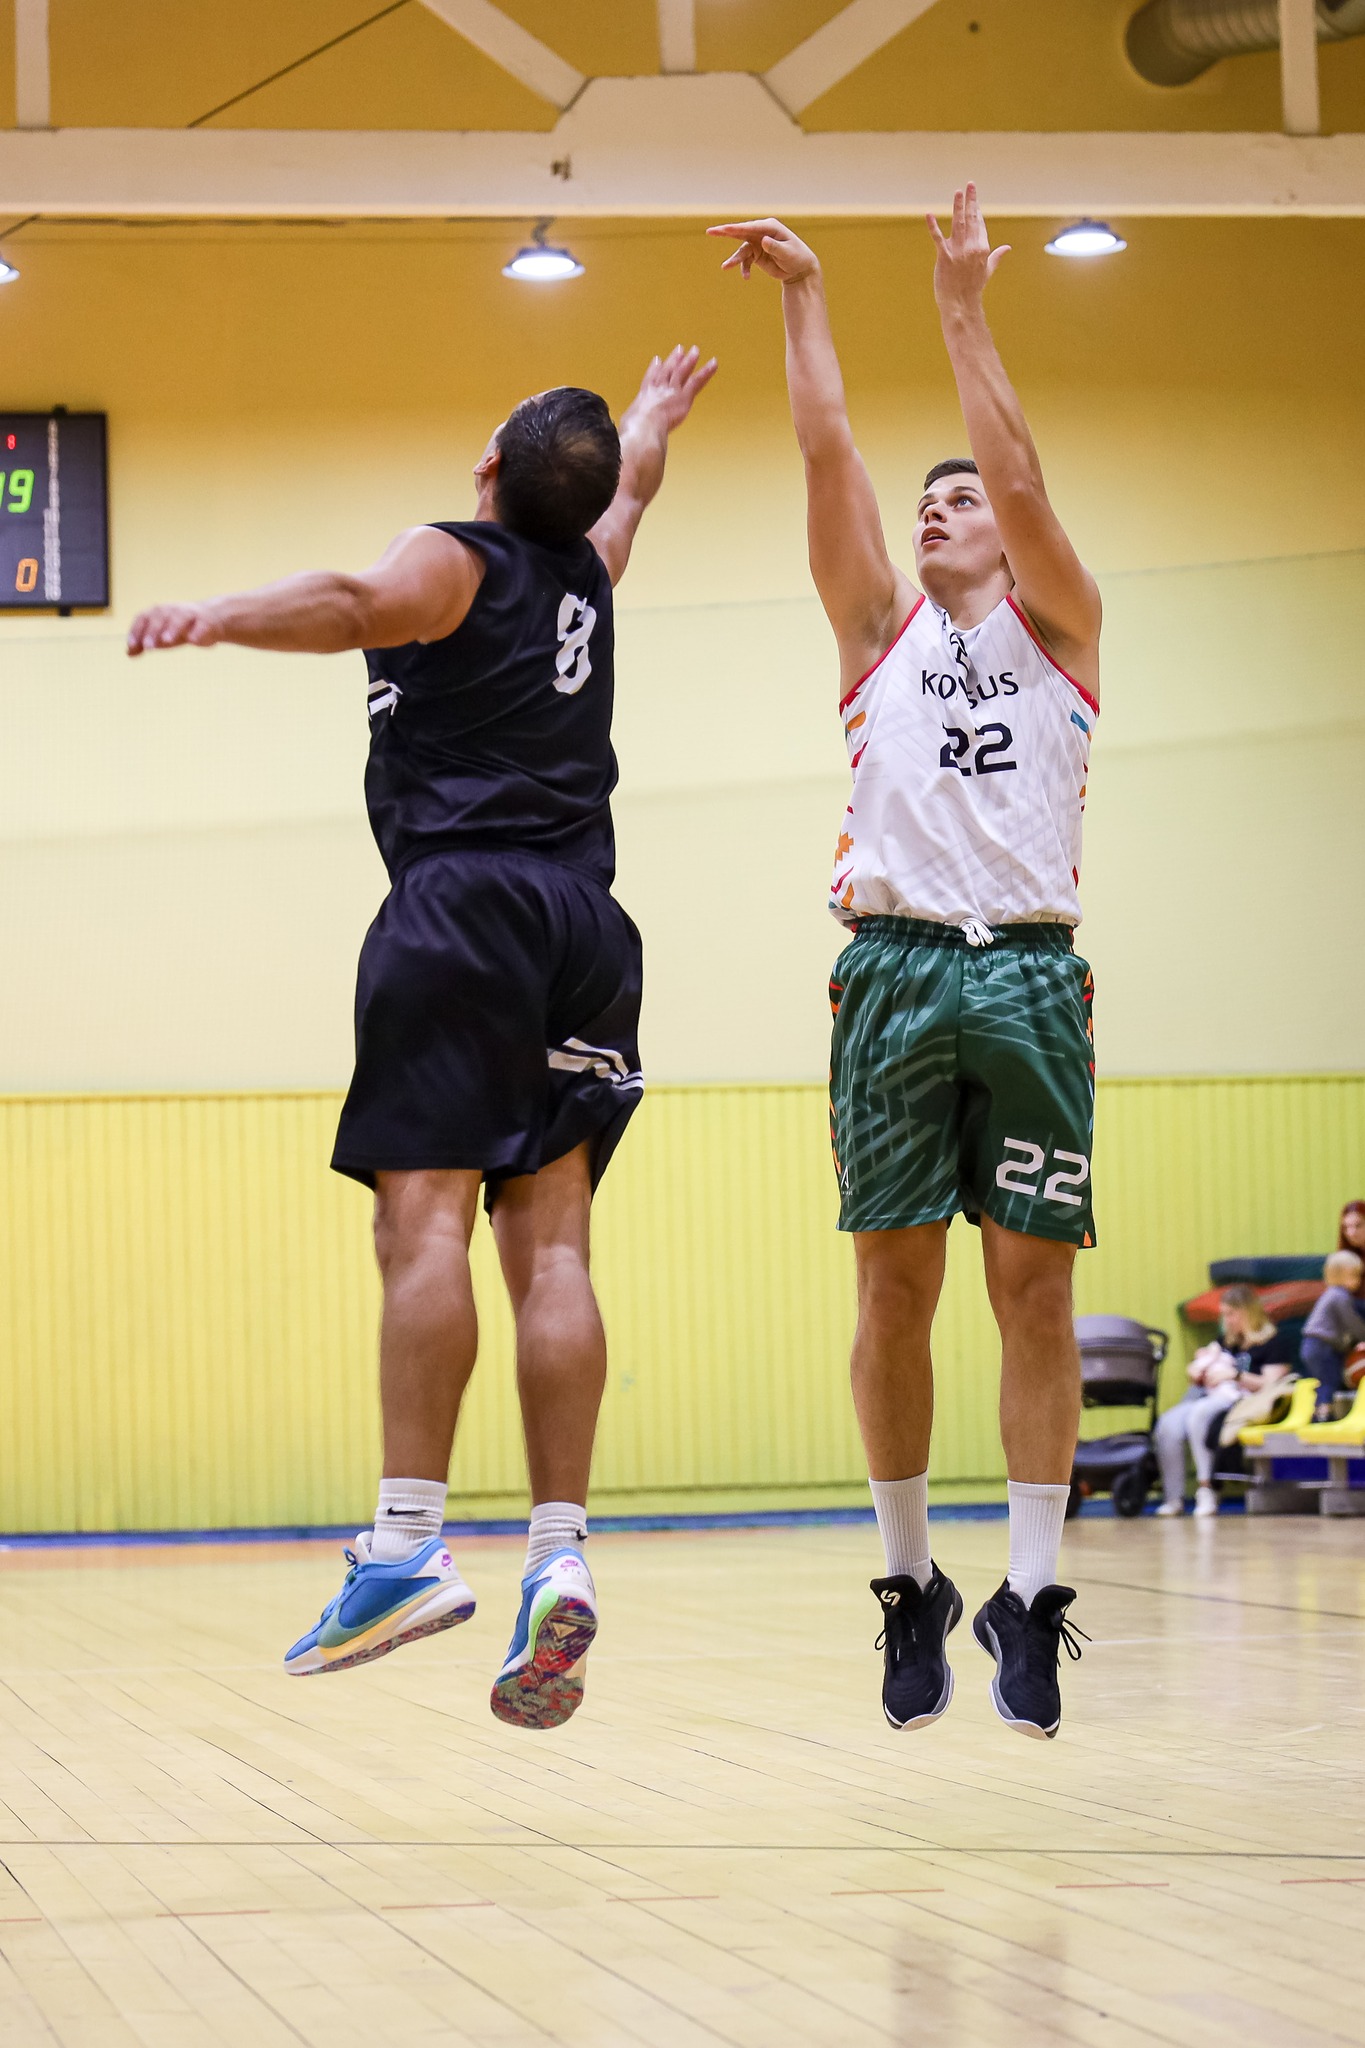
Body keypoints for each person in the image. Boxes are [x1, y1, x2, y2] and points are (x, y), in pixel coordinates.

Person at [126, 350, 717, 1728]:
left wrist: (212, 616)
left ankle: (404, 1545)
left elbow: (351, 603)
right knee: (554, 1246)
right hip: (587, 928)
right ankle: (559, 1552)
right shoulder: (588, 573)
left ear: (489, 468)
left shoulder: (459, 558)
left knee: (424, 1222)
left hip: (463, 907)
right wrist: (650, 421)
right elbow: (628, 492)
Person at [709, 187, 1100, 1741]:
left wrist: (959, 307)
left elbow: (1018, 469)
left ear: (1010, 527)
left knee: (1034, 1288)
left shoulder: (1061, 627)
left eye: (961, 498)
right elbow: (827, 456)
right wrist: (803, 295)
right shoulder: (877, 629)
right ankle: (908, 1581)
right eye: (925, 499)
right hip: (891, 969)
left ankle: (1032, 1594)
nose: (937, 509)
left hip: (1029, 977)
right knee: (894, 1283)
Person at [1154, 1285, 1297, 1517]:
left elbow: (1272, 1385)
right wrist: (1198, 1371)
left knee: (1200, 1414)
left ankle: (1207, 1488)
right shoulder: (1227, 1341)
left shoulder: (1273, 1342)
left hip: (1247, 1401)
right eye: (1224, 1315)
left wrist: (1235, 1375)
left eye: (1231, 1314)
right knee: (1167, 1424)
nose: (1226, 1321)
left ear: (1248, 1312)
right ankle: (1173, 1498)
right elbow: (1208, 1366)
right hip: (1214, 1395)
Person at [1300, 1250, 1365, 1415]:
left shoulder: (1330, 1294)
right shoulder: (1340, 1296)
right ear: (1341, 1276)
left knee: (1323, 1379)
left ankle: (1318, 1410)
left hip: (1310, 1344)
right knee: (1330, 1378)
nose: (1359, 1281)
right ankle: (1324, 1411)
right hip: (1323, 1345)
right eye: (1355, 1276)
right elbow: (1351, 1322)